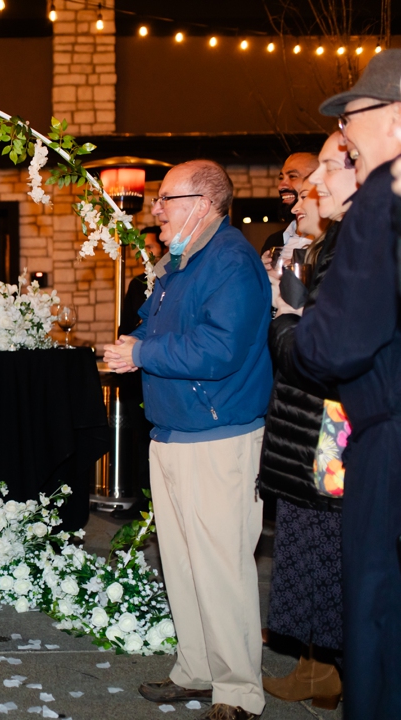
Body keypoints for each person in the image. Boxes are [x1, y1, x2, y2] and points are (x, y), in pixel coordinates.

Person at [104, 160, 272, 720]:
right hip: (175, 431)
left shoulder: (231, 262)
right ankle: (198, 668)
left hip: (218, 435)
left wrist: (142, 353)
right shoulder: (179, 261)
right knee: (181, 562)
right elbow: (160, 325)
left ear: (201, 204)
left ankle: (239, 690)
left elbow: (220, 348)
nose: (155, 209)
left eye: (165, 199)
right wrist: (136, 341)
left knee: (221, 565)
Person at [292, 49, 401, 719]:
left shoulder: (381, 201)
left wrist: (290, 332)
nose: (344, 133)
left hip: (387, 440)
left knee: (377, 614)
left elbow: (337, 343)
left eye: (353, 117)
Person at [257, 133, 357, 709]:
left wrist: (287, 315)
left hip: (333, 430)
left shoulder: (346, 249)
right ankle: (315, 668)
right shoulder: (318, 250)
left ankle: (327, 668)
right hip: (309, 424)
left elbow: (317, 348)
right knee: (304, 542)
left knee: (322, 543)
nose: (299, 200)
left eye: (310, 188)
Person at [110, 227, 163, 521]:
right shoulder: (136, 284)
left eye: (151, 246)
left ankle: (157, 502)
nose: (144, 251)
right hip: (135, 372)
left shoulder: (168, 281)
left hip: (157, 364)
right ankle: (141, 500)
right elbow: (129, 326)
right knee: (138, 440)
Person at [260, 152, 321, 259]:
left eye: (292, 176)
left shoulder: (335, 241)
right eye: (281, 178)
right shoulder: (273, 241)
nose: (281, 186)